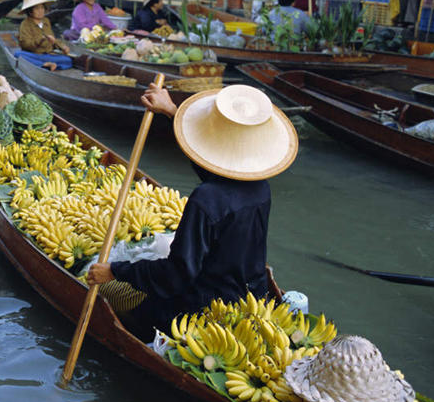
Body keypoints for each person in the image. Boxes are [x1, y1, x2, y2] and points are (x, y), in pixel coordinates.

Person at [86, 84, 298, 342]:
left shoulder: (205, 199)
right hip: (251, 296)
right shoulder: (260, 187)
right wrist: (171, 111)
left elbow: (175, 276)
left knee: (116, 296)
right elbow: (214, 172)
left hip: (201, 311)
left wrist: (115, 271)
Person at [17, 0, 72, 71]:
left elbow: (53, 40)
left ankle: (46, 65)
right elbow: (26, 45)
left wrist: (62, 47)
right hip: (34, 55)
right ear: (30, 12)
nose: (41, 11)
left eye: (42, 8)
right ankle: (43, 65)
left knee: (68, 60)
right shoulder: (25, 24)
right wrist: (40, 39)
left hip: (48, 55)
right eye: (37, 8)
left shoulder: (46, 21)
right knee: (18, 54)